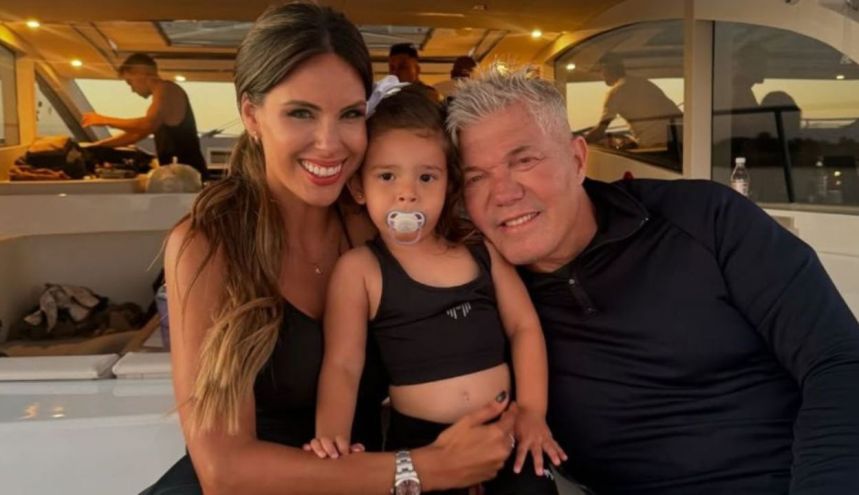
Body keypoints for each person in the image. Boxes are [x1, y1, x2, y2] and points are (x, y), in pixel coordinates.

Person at [142, 5, 516, 495]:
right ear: (251, 115)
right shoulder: (209, 243)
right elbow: (223, 471)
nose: (329, 143)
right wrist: (425, 468)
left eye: (350, 115)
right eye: (301, 113)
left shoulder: (373, 224)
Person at [447, 67, 859, 494]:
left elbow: (837, 359)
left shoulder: (703, 219)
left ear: (577, 159)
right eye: (476, 177)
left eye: (524, 161)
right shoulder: (482, 301)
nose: (503, 193)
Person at [309, 85, 563, 495]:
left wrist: (533, 412)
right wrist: (331, 436)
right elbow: (343, 364)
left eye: (427, 177)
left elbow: (524, 327)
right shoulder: (360, 271)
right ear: (358, 188)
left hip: (506, 434)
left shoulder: (481, 251)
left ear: (448, 186)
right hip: (420, 447)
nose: (408, 192)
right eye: (387, 176)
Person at [81, 53, 209, 180]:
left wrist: (104, 120)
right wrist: (96, 146)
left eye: (130, 82)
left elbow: (147, 124)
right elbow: (135, 135)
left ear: (140, 73)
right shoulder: (161, 96)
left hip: (186, 177)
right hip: (181, 175)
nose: (132, 89)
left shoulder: (167, 90)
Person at [584, 53, 681, 149]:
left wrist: (581, 142)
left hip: (657, 145)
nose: (601, 75)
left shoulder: (616, 92)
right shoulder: (643, 82)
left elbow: (600, 131)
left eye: (601, 70)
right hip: (681, 139)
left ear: (607, 69)